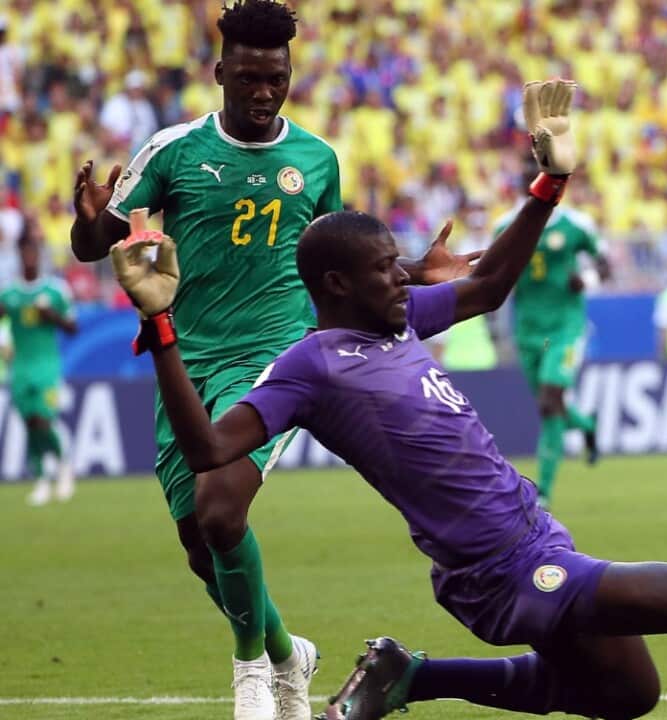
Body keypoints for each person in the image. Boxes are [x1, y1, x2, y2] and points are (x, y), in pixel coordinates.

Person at [114, 79, 667, 720]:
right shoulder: (309, 364)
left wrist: (549, 182)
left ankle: (409, 676)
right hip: (497, 573)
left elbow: (491, 282)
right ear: (339, 283)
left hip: (537, 537)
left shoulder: (391, 323)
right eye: (391, 271)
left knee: (627, 695)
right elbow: (207, 453)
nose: (411, 278)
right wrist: (159, 331)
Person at [68, 3, 469, 717]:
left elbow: (339, 261)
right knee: (201, 544)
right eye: (249, 77)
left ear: (290, 74)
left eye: (275, 78)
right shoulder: (174, 151)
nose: (262, 92)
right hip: (186, 358)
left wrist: (410, 268)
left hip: (276, 354)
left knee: (223, 514)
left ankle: (252, 670)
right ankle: (290, 654)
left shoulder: (315, 159)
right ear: (222, 73)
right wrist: (88, 217)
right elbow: (93, 245)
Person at [494, 162, 610, 506]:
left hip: (565, 327)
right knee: (551, 405)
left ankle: (543, 489)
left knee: (549, 400)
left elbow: (604, 263)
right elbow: (492, 272)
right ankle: (586, 424)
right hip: (529, 330)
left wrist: (587, 281)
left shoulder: (576, 224)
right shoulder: (505, 225)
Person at [0, 238, 77, 506]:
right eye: (25, 252)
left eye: (33, 251)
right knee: (29, 422)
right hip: (19, 366)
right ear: (19, 255)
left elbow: (72, 327)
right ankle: (42, 479)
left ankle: (64, 465)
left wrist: (51, 315)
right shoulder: (9, 293)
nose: (29, 257)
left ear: (39, 254)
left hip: (47, 366)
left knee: (44, 418)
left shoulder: (54, 290)